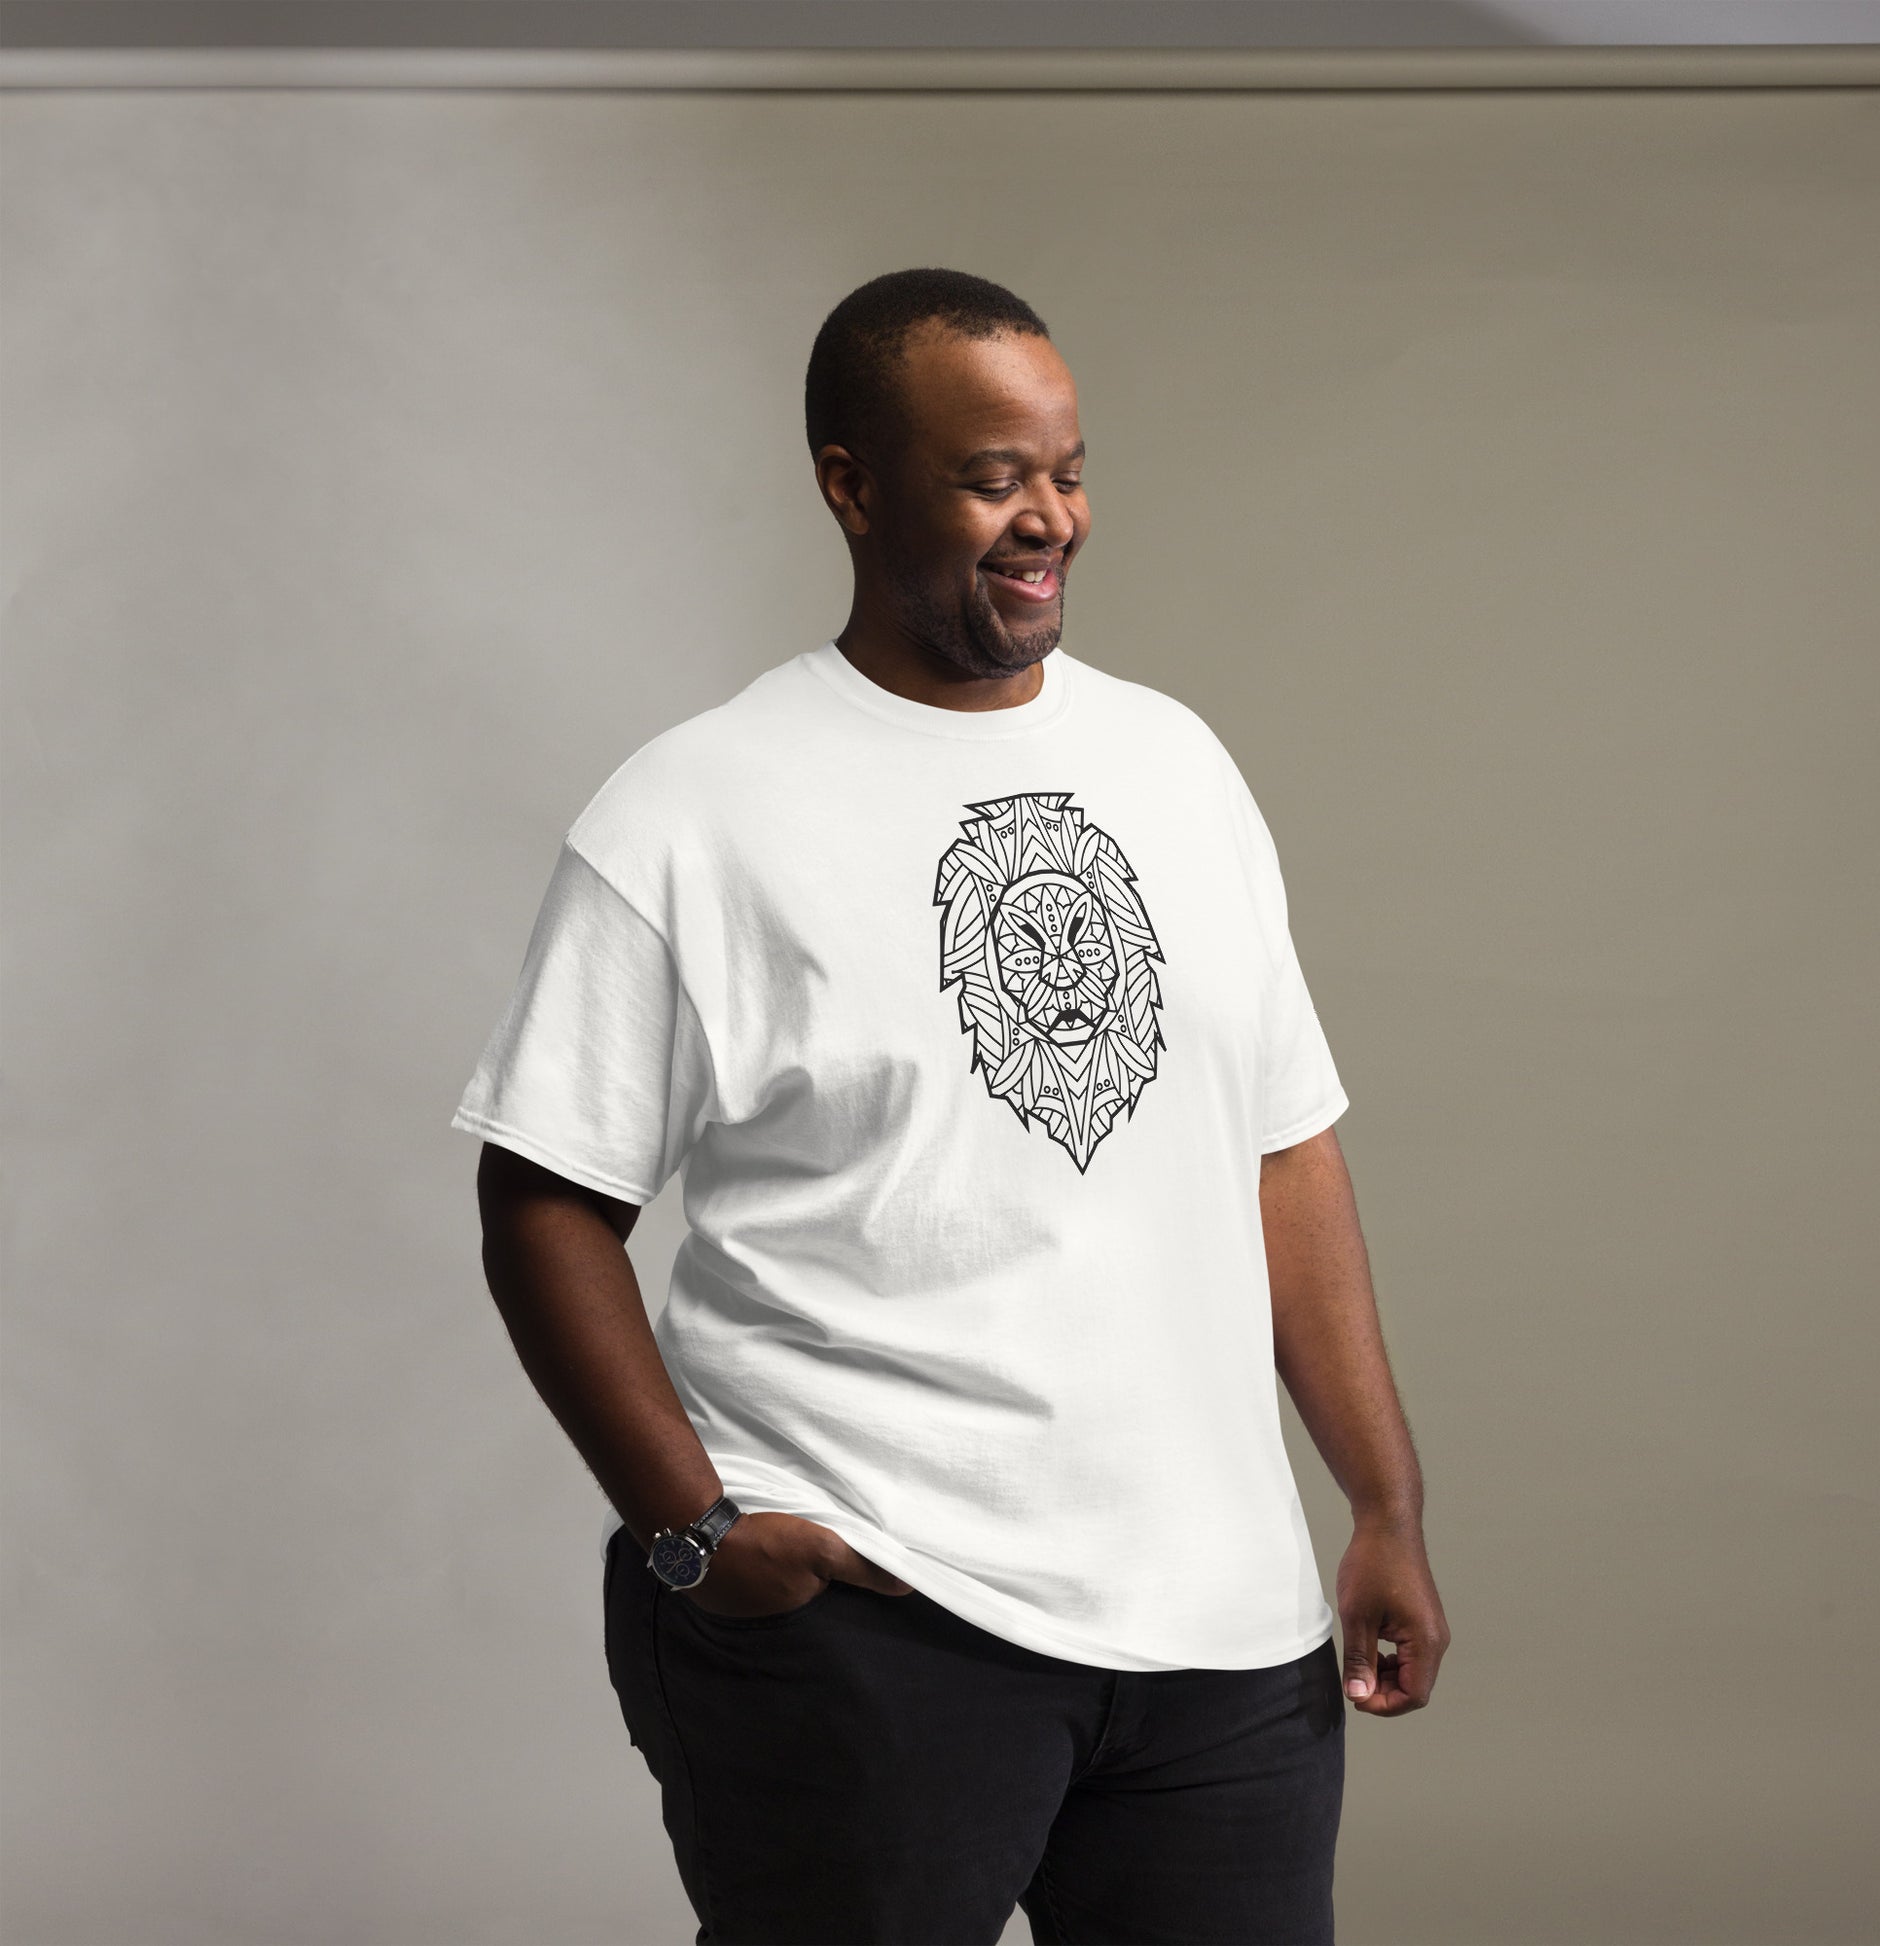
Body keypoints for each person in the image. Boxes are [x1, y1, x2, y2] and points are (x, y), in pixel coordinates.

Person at [453, 266, 1449, 1946]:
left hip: (1220, 1640)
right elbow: (544, 1197)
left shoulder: (1179, 766)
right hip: (876, 1623)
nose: (1045, 516)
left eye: (1065, 469)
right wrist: (694, 1533)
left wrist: (1382, 1505)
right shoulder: (697, 809)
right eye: (993, 476)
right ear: (851, 483)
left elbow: (1281, 1148)